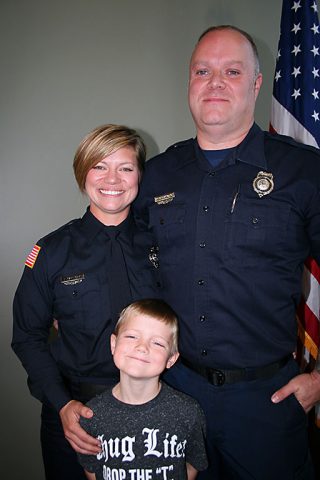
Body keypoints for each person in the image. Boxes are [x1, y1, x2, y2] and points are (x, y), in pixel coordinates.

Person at [133, 26, 320, 479]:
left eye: (232, 71)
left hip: (266, 406)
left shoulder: (304, 171)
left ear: (256, 85)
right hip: (172, 395)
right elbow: (126, 264)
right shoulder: (155, 176)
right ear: (189, 83)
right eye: (203, 71)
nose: (215, 82)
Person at [12, 124, 161, 480]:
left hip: (154, 408)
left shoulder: (161, 245)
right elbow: (27, 337)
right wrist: (62, 405)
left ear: (139, 175)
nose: (113, 179)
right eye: (100, 166)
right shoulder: (51, 252)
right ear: (83, 174)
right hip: (77, 413)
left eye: (125, 167)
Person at [77, 298, 208, 480]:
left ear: (171, 359)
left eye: (157, 343)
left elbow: (193, 464)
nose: (142, 347)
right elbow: (92, 470)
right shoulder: (91, 416)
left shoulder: (188, 412)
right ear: (113, 344)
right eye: (132, 336)